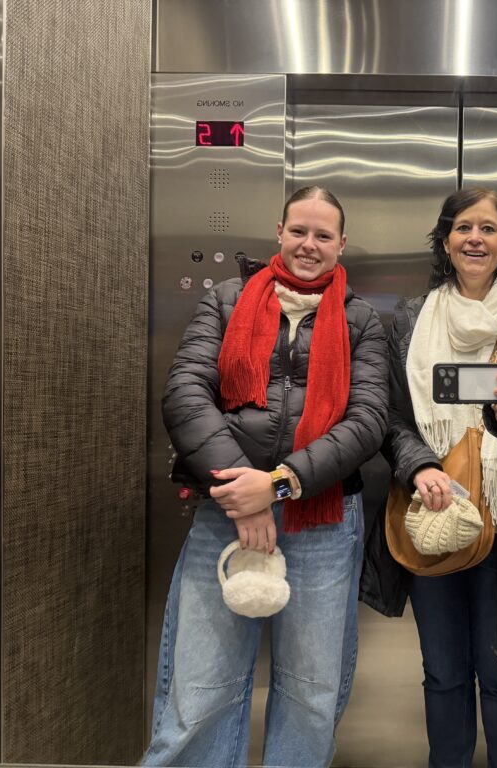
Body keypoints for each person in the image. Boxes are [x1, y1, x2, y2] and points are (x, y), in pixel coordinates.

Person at [143, 186, 388, 768]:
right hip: (226, 512)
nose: (309, 244)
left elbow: (369, 420)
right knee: (199, 689)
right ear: (279, 232)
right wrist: (247, 492)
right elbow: (185, 393)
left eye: (323, 235)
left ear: (341, 244)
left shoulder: (361, 320)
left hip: (324, 521)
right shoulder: (227, 300)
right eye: (299, 231)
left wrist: (279, 484)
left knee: (310, 693)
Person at [360, 187, 497, 768]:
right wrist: (421, 465)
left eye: (488, 229)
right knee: (444, 672)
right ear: (446, 241)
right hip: (430, 513)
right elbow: (390, 418)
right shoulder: (409, 320)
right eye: (463, 228)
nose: (475, 238)